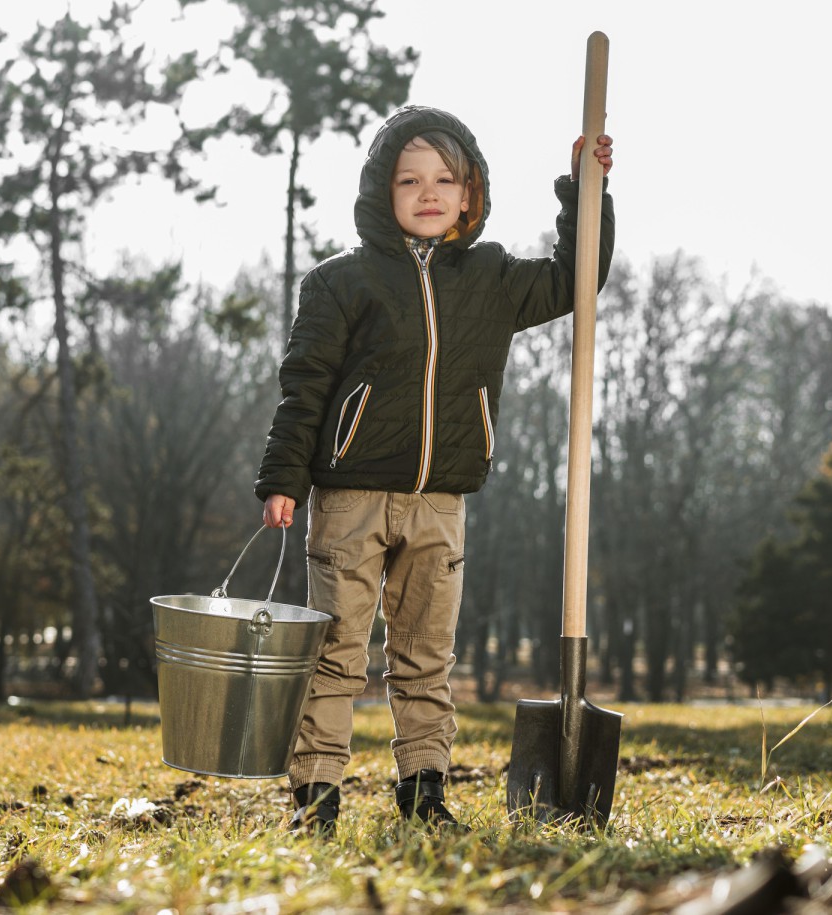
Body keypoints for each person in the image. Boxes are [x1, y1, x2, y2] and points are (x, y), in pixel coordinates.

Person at [255, 105, 615, 836]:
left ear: (469, 192)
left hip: (440, 501)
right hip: (350, 499)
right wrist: (283, 478)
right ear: (380, 192)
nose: (428, 193)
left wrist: (585, 191)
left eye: (445, 179)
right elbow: (305, 386)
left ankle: (424, 793)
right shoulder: (341, 283)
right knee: (337, 655)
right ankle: (315, 798)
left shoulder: (492, 278)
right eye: (409, 180)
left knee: (425, 657)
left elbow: (576, 278)